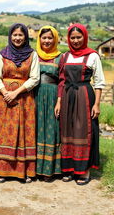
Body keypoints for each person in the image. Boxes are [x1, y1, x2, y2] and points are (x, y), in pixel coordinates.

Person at [54, 23, 105, 185]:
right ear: (69, 39)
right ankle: (69, 169)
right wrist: (59, 101)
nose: (75, 40)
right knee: (67, 131)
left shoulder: (93, 56)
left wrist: (96, 104)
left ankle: (84, 171)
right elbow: (62, 81)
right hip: (68, 96)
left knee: (84, 131)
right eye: (73, 37)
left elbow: (99, 82)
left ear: (84, 37)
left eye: (78, 37)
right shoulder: (65, 56)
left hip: (84, 96)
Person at [0, 23, 40, 183]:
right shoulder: (2, 55)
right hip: (4, 100)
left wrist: (16, 93)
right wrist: (5, 93)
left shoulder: (32, 55)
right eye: (14, 35)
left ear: (25, 36)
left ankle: (23, 171)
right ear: (10, 36)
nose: (17, 38)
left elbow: (35, 78)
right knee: (4, 134)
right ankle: (2, 171)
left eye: (20, 35)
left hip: (24, 99)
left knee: (23, 134)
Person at [34, 26, 62, 182]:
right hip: (36, 94)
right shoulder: (33, 55)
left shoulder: (60, 57)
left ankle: (50, 170)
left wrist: (59, 100)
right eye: (43, 38)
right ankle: (36, 169)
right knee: (36, 128)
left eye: (50, 38)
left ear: (55, 39)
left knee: (52, 128)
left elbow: (63, 80)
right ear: (39, 39)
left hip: (52, 95)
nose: (46, 41)